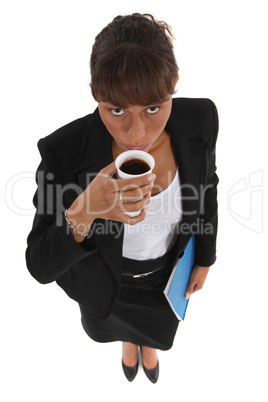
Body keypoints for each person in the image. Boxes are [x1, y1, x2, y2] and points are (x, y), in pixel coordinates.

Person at [26, 13, 219, 384]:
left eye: (153, 107)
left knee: (157, 331)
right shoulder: (62, 152)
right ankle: (128, 341)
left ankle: (147, 344)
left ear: (173, 86)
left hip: (167, 277)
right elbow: (39, 265)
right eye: (116, 110)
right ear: (96, 94)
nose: (137, 133)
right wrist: (84, 210)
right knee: (117, 326)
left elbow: (207, 185)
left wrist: (206, 256)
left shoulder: (201, 119)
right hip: (105, 285)